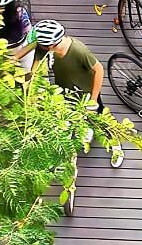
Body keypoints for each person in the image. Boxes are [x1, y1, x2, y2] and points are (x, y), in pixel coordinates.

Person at [33, 19, 124, 168]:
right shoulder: (48, 47)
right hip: (65, 93)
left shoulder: (78, 50)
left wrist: (93, 101)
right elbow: (36, 60)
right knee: (71, 119)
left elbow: (99, 70)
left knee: (102, 122)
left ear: (51, 45)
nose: (40, 47)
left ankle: (116, 147)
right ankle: (75, 148)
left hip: (86, 95)